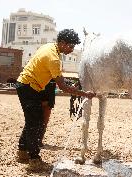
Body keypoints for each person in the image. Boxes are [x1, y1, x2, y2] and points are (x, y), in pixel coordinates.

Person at [15, 29, 95, 171]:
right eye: (70, 46)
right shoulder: (53, 58)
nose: (71, 50)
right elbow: (63, 86)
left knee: (32, 120)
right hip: (28, 87)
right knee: (36, 123)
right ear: (63, 43)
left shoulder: (49, 47)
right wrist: (84, 93)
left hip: (28, 85)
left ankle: (22, 151)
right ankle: (34, 159)